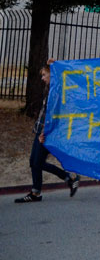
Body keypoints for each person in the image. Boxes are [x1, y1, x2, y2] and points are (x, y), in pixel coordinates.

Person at [15, 62, 80, 203]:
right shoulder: (50, 89)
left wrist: (44, 132)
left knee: (36, 162)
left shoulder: (56, 91)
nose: (42, 78)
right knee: (34, 162)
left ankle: (37, 192)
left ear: (52, 74)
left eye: (44, 75)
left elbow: (52, 113)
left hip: (45, 132)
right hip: (41, 130)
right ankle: (69, 178)